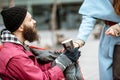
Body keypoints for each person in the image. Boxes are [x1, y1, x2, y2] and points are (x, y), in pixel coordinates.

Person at [0, 7, 81, 80]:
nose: (34, 21)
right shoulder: (16, 56)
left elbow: (36, 69)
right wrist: (64, 61)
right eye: (30, 20)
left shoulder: (18, 48)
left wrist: (62, 58)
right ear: (21, 27)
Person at [73, 0, 120, 80]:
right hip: (108, 35)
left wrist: (118, 27)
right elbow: (88, 16)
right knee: (106, 74)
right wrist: (79, 40)